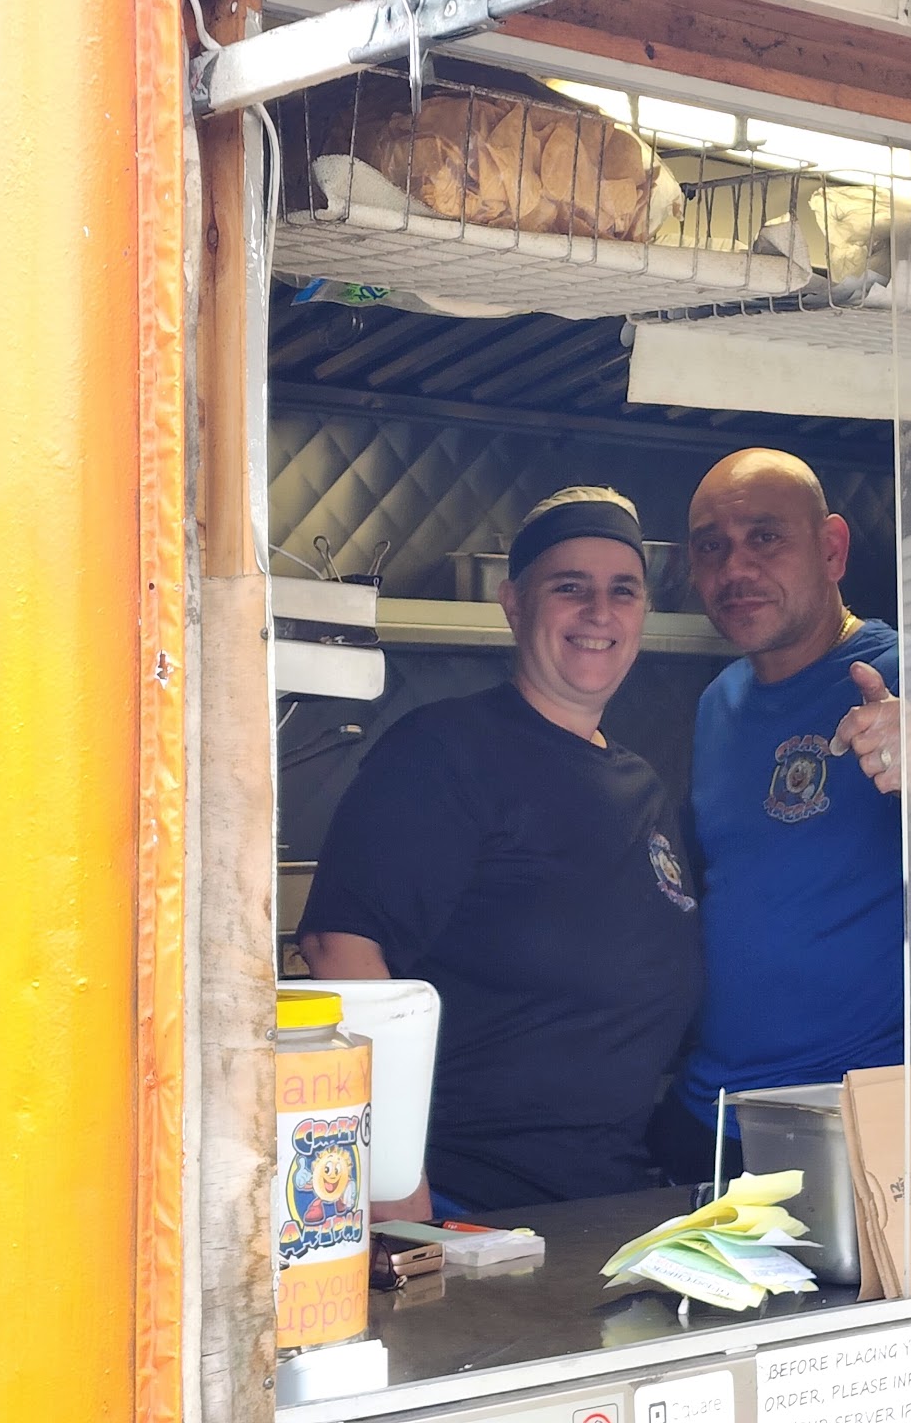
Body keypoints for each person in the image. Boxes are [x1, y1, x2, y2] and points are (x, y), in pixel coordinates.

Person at [299, 486, 703, 1218]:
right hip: (468, 1202)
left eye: (623, 590)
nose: (600, 612)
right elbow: (340, 950)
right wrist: (396, 1192)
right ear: (514, 604)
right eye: (569, 587)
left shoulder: (641, 783)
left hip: (604, 1201)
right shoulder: (446, 752)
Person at [649, 448, 911, 1183]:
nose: (736, 568)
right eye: (711, 547)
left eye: (765, 537)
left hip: (851, 1124)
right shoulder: (717, 704)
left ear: (832, 549)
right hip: (711, 1115)